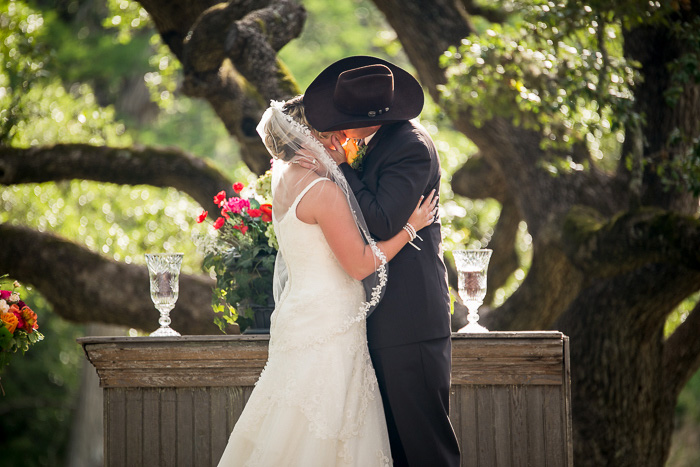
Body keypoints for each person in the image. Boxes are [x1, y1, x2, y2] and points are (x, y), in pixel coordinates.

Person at [216, 96, 438, 466]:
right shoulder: (323, 192)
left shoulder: (284, 181)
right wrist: (410, 229)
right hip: (330, 325)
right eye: (333, 133)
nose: (342, 141)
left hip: (300, 316)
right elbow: (361, 265)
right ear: (315, 136)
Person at [303, 56, 461, 466]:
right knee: (395, 450)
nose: (334, 128)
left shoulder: (409, 147)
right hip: (383, 318)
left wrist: (341, 169)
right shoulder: (377, 143)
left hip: (410, 320)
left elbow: (382, 221)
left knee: (427, 449)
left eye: (340, 117)